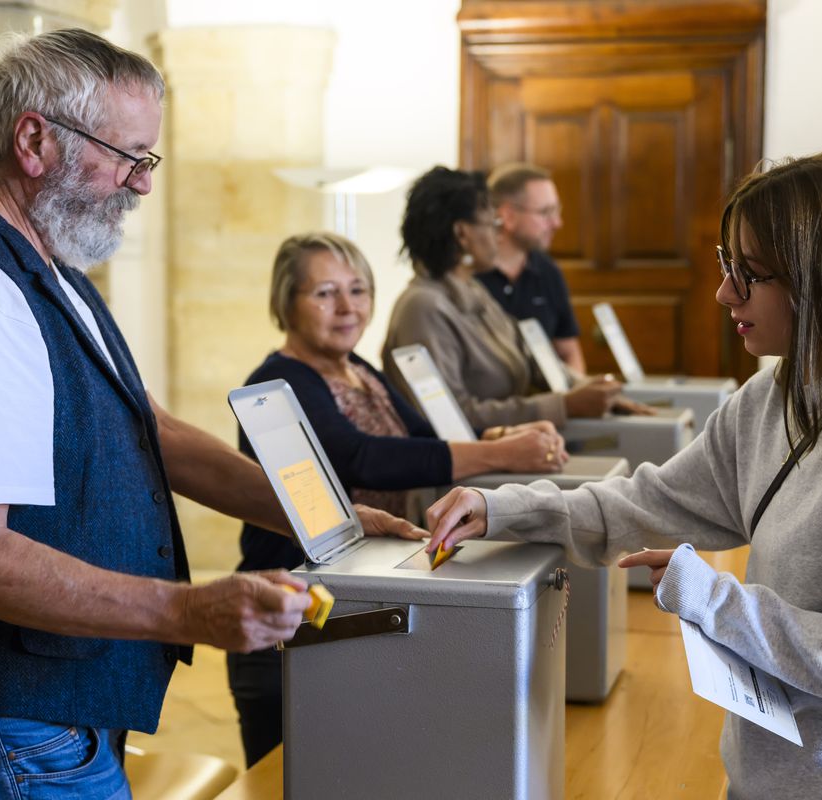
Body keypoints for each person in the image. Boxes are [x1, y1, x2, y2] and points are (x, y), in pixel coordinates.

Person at [0, 28, 416, 798]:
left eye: (147, 159)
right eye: (127, 156)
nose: (142, 183)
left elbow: (150, 431)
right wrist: (188, 611)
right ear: (34, 141)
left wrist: (325, 514)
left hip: (42, 712)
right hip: (2, 722)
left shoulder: (48, 262)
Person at [427, 153, 822, 798]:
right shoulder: (773, 395)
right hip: (766, 776)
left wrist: (716, 601)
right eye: (727, 266)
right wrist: (504, 509)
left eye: (751, 276)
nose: (723, 294)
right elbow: (645, 502)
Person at [227, 231, 569, 766]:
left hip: (361, 614)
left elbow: (421, 440)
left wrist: (500, 440)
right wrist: (500, 458)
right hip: (294, 626)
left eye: (359, 290)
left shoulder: (361, 371)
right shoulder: (278, 379)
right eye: (325, 293)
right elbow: (363, 458)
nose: (348, 307)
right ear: (285, 302)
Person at [381, 166, 647, 429]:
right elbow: (452, 418)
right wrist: (564, 405)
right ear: (462, 233)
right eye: (492, 223)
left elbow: (530, 355)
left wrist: (593, 389)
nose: (499, 234)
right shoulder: (422, 306)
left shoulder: (474, 291)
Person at [476, 162, 586, 373]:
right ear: (507, 215)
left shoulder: (548, 271)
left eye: (557, 211)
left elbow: (569, 351)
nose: (557, 223)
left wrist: (576, 397)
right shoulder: (468, 277)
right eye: (546, 212)